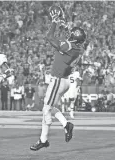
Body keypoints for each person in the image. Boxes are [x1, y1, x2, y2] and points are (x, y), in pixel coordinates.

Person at [30, 7, 86, 151]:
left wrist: (55, 22)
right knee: (49, 107)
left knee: (46, 109)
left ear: (74, 38)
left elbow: (49, 37)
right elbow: (69, 36)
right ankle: (66, 125)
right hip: (64, 80)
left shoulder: (69, 45)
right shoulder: (77, 47)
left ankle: (44, 139)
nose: (69, 35)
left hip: (58, 80)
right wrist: (64, 25)